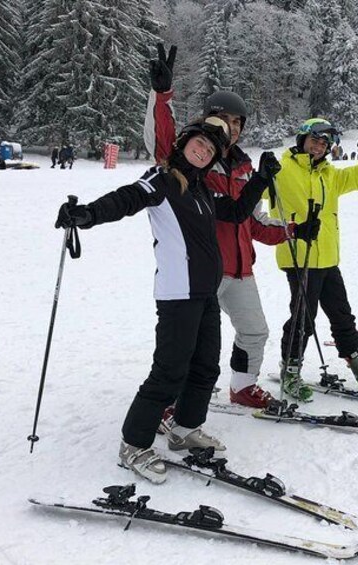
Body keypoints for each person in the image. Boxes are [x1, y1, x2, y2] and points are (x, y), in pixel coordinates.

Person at [54, 117, 282, 483]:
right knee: (169, 372)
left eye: (210, 150)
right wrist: (88, 215)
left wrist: (260, 180)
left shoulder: (203, 190)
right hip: (178, 295)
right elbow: (127, 199)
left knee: (206, 367)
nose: (203, 151)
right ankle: (133, 444)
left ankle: (185, 429)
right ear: (184, 143)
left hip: (206, 293)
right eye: (199, 144)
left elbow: (238, 213)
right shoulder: (161, 180)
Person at [146, 44, 301, 408]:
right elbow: (161, 141)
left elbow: (254, 221)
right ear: (209, 120)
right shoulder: (192, 157)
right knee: (188, 342)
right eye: (225, 119)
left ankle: (243, 387)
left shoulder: (243, 166)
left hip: (240, 270)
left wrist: (293, 230)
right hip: (200, 271)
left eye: (238, 122)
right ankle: (169, 401)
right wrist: (160, 95)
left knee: (254, 331)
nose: (232, 128)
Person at [270, 118, 358, 400]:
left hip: (328, 258)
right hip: (299, 257)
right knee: (303, 318)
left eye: (324, 143)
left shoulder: (328, 174)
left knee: (342, 314)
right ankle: (290, 372)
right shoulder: (281, 169)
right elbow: (255, 190)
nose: (318, 147)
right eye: (314, 140)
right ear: (302, 140)